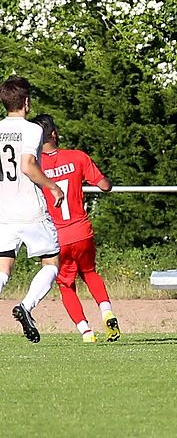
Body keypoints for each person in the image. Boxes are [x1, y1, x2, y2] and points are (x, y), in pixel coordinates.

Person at [34, 114, 119, 343]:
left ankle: (86, 331)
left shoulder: (34, 166)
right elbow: (104, 186)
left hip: (56, 236)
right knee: (89, 273)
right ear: (54, 134)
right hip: (81, 230)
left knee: (65, 284)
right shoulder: (77, 157)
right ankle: (106, 311)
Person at [0, 76, 65, 343]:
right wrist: (53, 187)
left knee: (3, 268)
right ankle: (26, 306)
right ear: (26, 102)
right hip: (30, 209)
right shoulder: (32, 130)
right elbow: (27, 165)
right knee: (51, 263)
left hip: (4, 211)